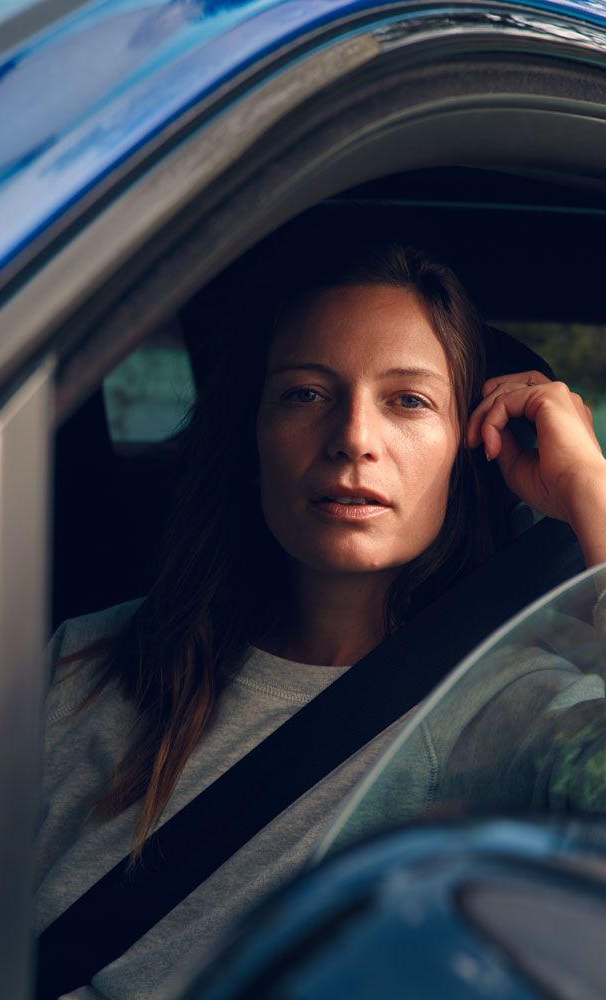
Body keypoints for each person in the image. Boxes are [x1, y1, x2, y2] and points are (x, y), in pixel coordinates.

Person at [34, 243, 606, 999]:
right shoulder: (87, 661)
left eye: (409, 401)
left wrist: (590, 497)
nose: (354, 439)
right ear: (252, 433)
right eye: (306, 394)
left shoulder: (511, 710)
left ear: (468, 449)